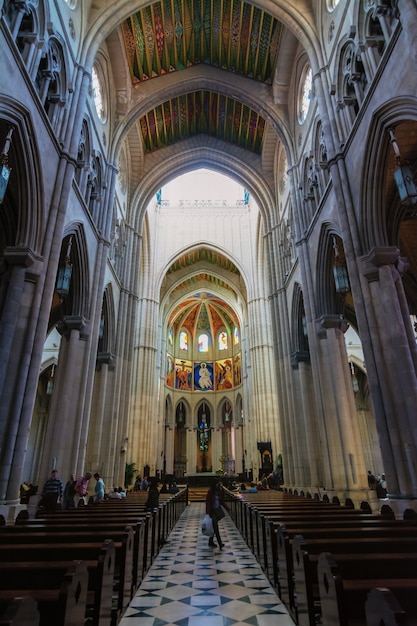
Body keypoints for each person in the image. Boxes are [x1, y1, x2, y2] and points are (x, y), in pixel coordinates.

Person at [205, 478, 228, 548]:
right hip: (212, 511)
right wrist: (208, 512)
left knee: (214, 527)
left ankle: (210, 541)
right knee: (215, 527)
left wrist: (227, 508)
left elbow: (221, 501)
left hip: (217, 510)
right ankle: (220, 543)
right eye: (218, 483)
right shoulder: (211, 491)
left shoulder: (219, 491)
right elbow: (208, 501)